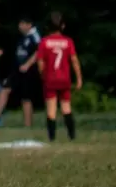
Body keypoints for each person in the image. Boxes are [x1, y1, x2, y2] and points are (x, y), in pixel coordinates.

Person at [23, 12, 81, 142]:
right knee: (66, 108)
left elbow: (40, 62)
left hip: (50, 79)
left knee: (51, 110)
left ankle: (52, 138)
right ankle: (72, 136)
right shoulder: (68, 41)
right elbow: (74, 61)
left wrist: (42, 75)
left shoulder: (44, 42)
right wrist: (79, 79)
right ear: (63, 26)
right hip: (64, 79)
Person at [0, 16, 41, 127]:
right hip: (17, 70)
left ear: (29, 25)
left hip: (28, 71)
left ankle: (28, 125)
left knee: (26, 98)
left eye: (22, 24)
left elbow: (38, 51)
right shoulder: (22, 37)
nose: (19, 26)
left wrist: (28, 64)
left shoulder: (34, 36)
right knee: (5, 89)